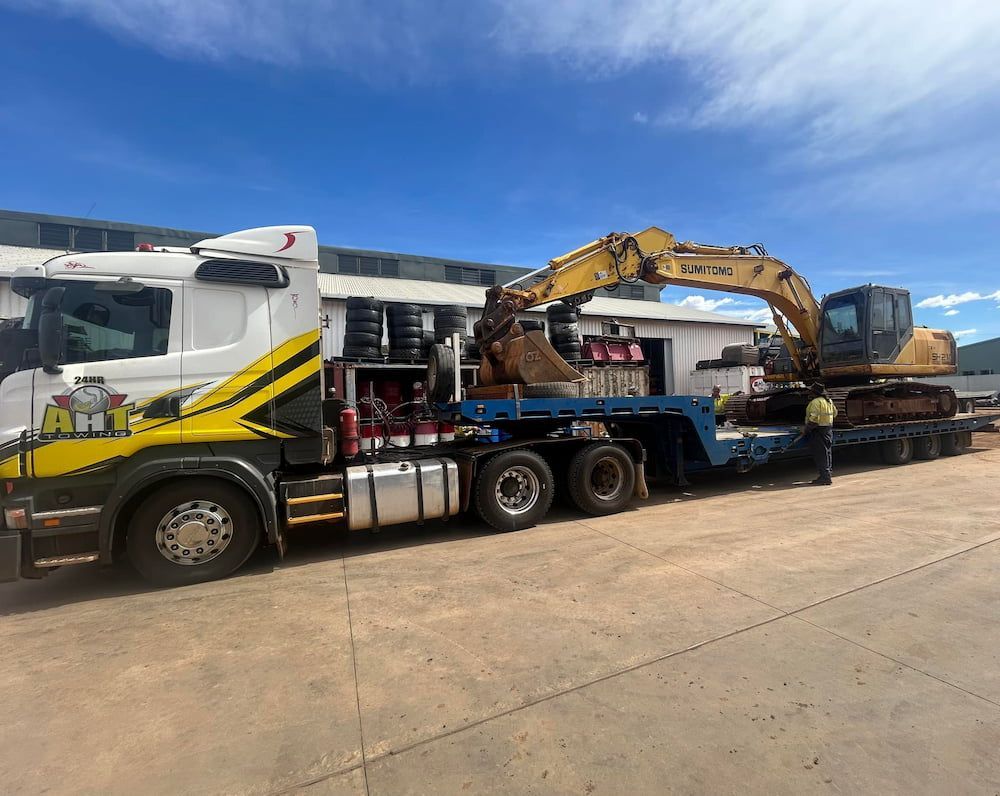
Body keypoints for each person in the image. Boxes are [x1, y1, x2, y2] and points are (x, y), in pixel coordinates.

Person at [804, 382, 838, 484]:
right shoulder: (829, 401)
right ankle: (827, 474)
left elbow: (814, 418)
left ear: (814, 392)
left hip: (818, 431)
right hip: (828, 430)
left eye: (811, 391)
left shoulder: (815, 402)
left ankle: (825, 478)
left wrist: (807, 429)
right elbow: (835, 413)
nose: (809, 392)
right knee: (827, 453)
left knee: (821, 454)